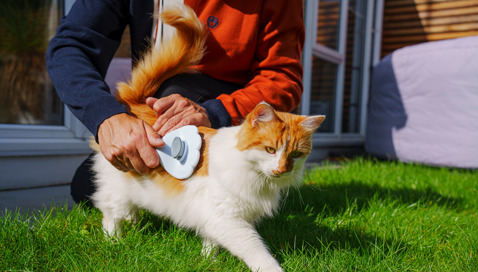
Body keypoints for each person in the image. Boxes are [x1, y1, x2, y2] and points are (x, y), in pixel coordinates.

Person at [46, 0, 305, 205]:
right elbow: (72, 45)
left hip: (229, 108)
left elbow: (282, 77)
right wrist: (107, 116)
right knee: (89, 186)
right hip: (155, 102)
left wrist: (218, 112)